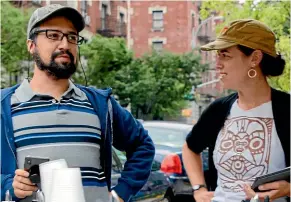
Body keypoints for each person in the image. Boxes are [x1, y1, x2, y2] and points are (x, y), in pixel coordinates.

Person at [1, 4, 155, 202]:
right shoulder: (4, 106)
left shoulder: (100, 104)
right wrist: (8, 186)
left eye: (72, 37)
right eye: (53, 35)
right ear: (31, 45)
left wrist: (120, 194)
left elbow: (143, 145)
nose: (65, 44)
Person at [182, 19, 290, 202]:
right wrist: (199, 189)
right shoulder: (219, 109)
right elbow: (190, 147)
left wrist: (288, 189)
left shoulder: (286, 109)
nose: (217, 64)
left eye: (225, 55)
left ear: (255, 58)